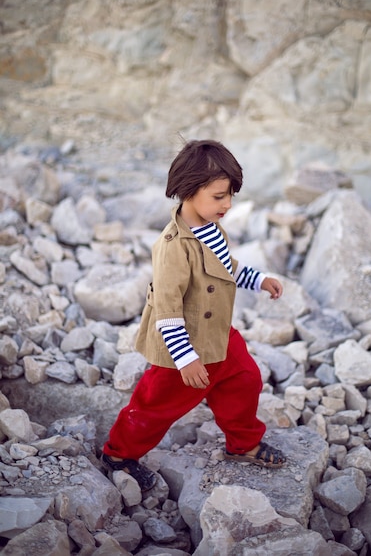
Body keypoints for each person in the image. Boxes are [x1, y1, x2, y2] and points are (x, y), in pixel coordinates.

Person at [102, 139, 286, 491]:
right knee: (156, 404)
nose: (228, 205)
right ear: (189, 190)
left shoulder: (211, 227)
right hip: (182, 347)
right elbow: (168, 310)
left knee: (245, 379)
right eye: (219, 196)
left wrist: (260, 280)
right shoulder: (173, 247)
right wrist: (185, 359)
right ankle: (118, 453)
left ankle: (243, 444)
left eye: (230, 195)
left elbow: (225, 268)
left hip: (217, 334)